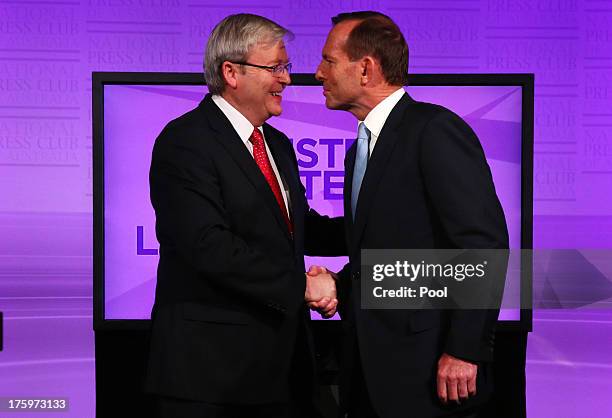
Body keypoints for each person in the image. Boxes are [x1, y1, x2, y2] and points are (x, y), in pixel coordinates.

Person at [310, 11, 509, 418]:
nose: (318, 73)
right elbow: (381, 246)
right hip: (370, 371)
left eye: (329, 61)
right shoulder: (361, 149)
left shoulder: (433, 131)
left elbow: (481, 244)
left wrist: (464, 349)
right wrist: (338, 283)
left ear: (365, 69)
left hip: (432, 371)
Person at [144, 13, 343, 418]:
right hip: (210, 378)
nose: (287, 79)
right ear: (231, 72)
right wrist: (303, 288)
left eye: (286, 67)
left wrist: (374, 224)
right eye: (276, 68)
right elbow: (208, 246)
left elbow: (297, 229)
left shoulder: (278, 145)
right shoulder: (186, 142)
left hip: (283, 371)